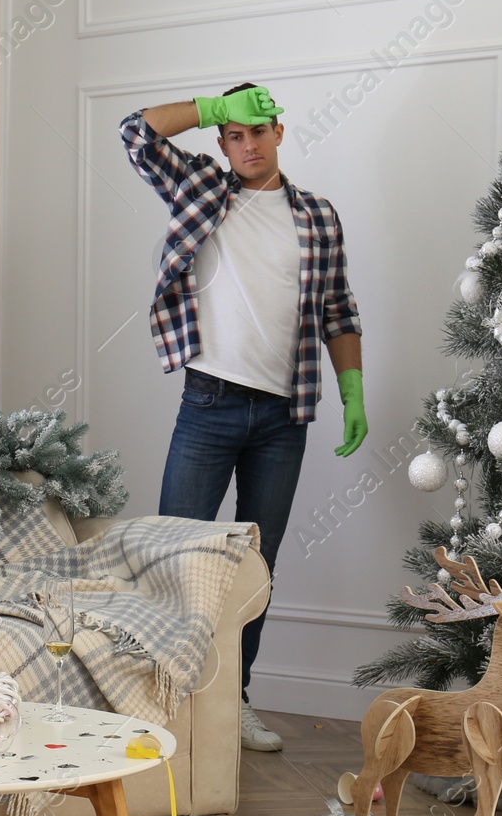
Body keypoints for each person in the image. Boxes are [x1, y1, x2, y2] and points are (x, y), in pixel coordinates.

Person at [119, 83, 366, 751]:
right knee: (177, 557)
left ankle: (233, 700)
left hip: (286, 415)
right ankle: (162, 698)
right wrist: (210, 108)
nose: (248, 146)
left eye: (258, 132)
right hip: (210, 403)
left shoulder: (317, 215)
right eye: (235, 135)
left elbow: (338, 309)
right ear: (222, 141)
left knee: (255, 565)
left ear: (280, 133)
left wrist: (353, 392)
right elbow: (136, 133)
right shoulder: (202, 188)